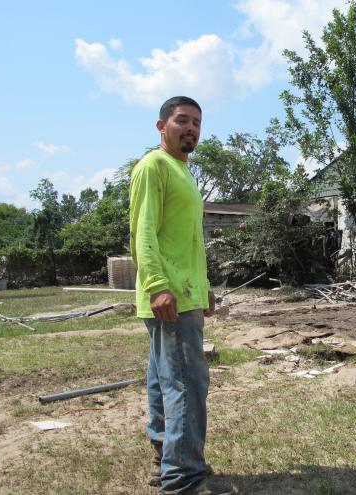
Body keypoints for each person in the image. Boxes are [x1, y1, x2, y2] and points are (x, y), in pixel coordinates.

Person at [130, 96, 231, 495]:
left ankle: (164, 460)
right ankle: (184, 480)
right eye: (182, 121)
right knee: (187, 385)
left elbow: (190, 241)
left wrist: (203, 288)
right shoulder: (154, 166)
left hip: (184, 293)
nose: (191, 129)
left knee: (162, 379)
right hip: (168, 295)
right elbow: (144, 231)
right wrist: (157, 286)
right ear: (161, 127)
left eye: (197, 123)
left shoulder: (183, 170)